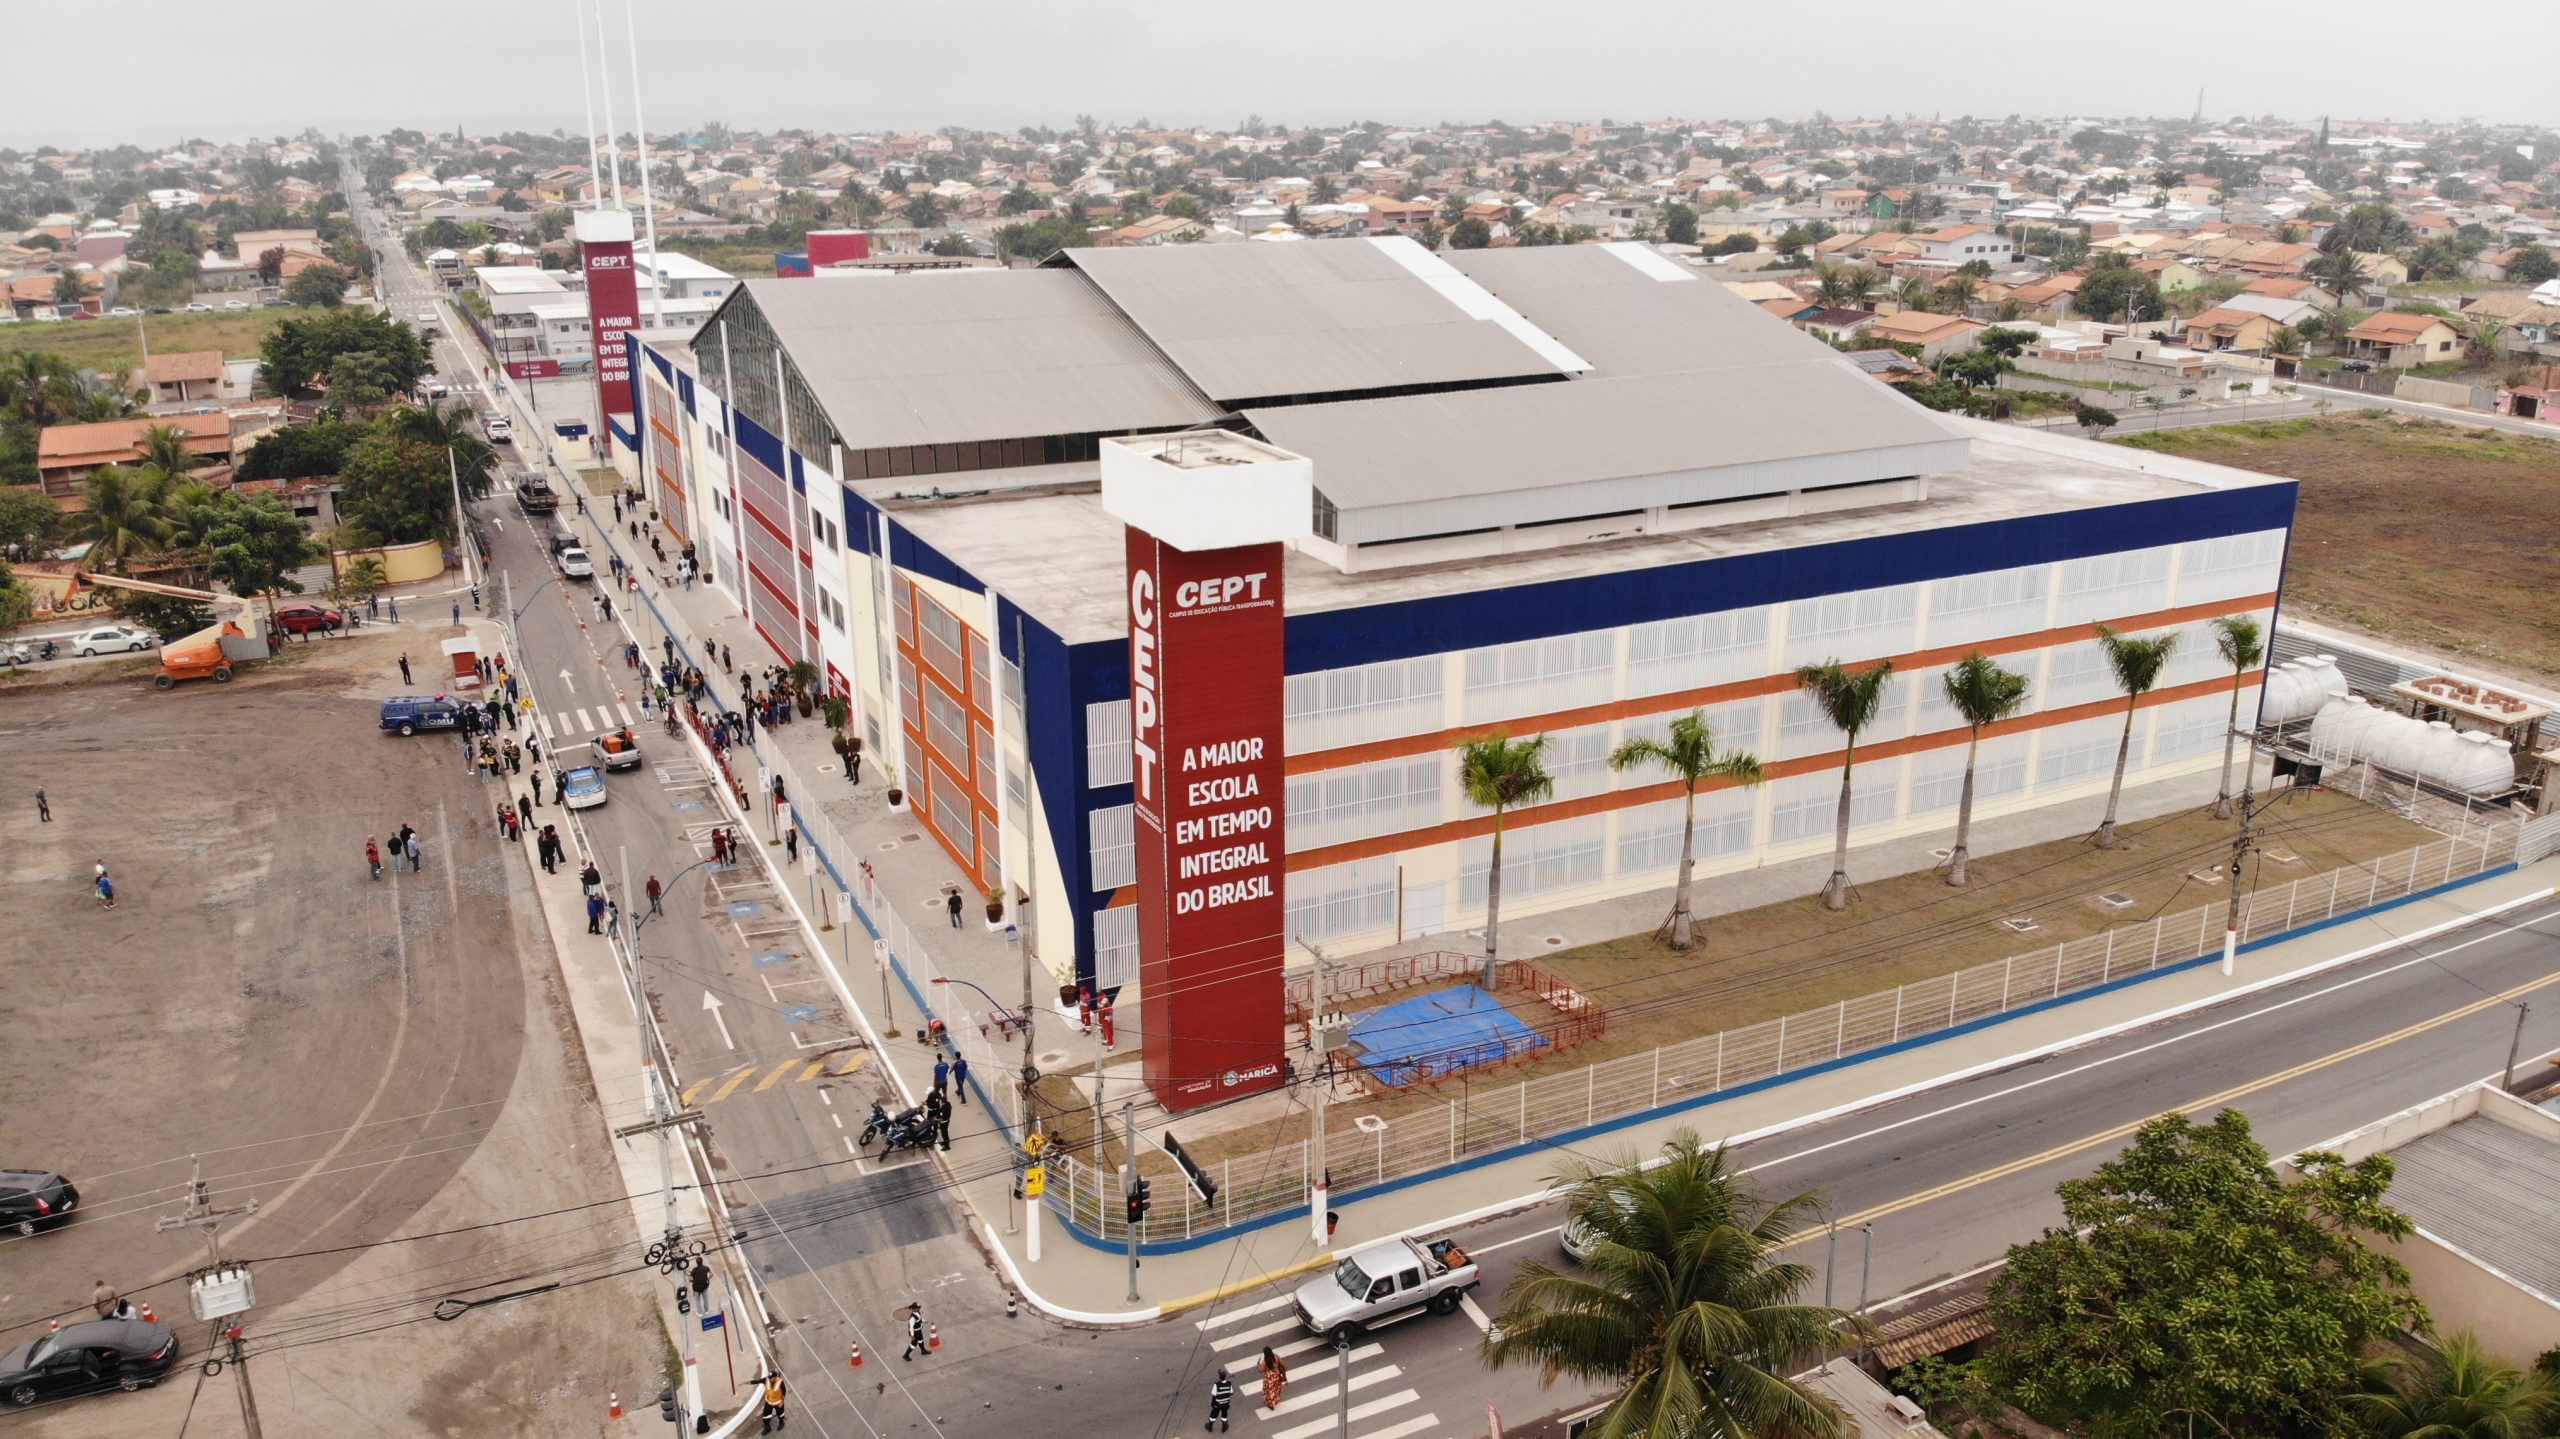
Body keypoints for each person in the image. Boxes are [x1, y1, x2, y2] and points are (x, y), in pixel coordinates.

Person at [1206, 1369, 1235, 1433]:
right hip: (1225, 1403)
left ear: (1219, 1377)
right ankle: (1224, 1427)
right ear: (1225, 1377)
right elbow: (1231, 1393)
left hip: (1218, 1404)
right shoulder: (1229, 1383)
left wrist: (1213, 1404)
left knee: (1214, 1414)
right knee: (1224, 1414)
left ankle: (1210, 1426)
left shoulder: (1217, 1384)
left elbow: (1214, 1395)